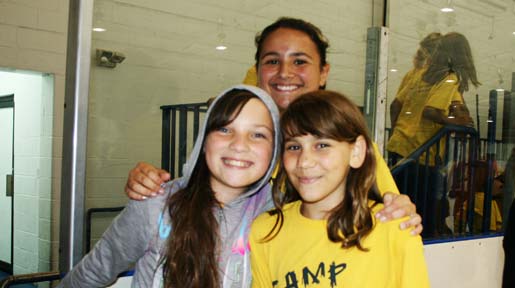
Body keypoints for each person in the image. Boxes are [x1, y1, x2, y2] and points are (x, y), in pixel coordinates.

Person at [124, 17, 423, 233]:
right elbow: (196, 193)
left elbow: (391, 209)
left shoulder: (352, 149)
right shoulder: (240, 144)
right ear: (257, 72)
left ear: (323, 73)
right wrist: (149, 182)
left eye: (300, 61)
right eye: (271, 61)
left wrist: (402, 210)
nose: (285, 72)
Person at [58, 85, 281, 287]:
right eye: (224, 129)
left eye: (258, 134)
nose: (239, 145)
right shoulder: (157, 204)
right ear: (203, 141)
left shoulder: (279, 212)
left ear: (274, 151)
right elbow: (91, 274)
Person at [250, 91, 429, 287]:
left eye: (322, 145)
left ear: (357, 151)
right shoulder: (265, 231)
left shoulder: (394, 228)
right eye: (294, 147)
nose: (305, 161)